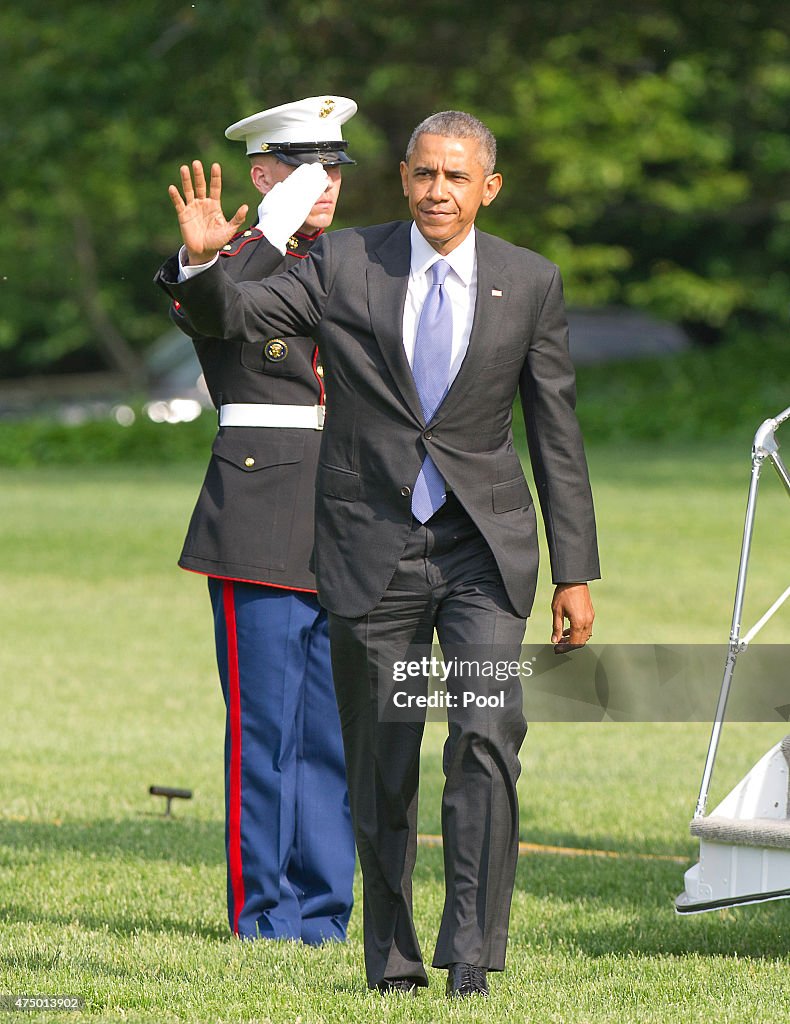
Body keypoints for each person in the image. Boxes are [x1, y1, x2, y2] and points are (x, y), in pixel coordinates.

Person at [156, 110, 599, 997]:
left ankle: (471, 957)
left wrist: (575, 570)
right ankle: (390, 960)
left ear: (488, 188)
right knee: (379, 759)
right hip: (374, 550)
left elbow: (557, 432)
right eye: (425, 174)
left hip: (483, 556)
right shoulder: (348, 261)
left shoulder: (530, 280)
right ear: (405, 178)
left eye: (457, 177)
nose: (439, 190)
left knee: (484, 738)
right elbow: (238, 316)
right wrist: (205, 264)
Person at [160, 96, 358, 945]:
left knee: (335, 735)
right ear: (262, 174)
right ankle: (265, 916)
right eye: (306, 169)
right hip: (262, 515)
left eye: (335, 169)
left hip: (352, 519)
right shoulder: (228, 263)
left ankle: (324, 912)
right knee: (267, 731)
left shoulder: (362, 261)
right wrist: (233, 249)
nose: (324, 186)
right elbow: (214, 311)